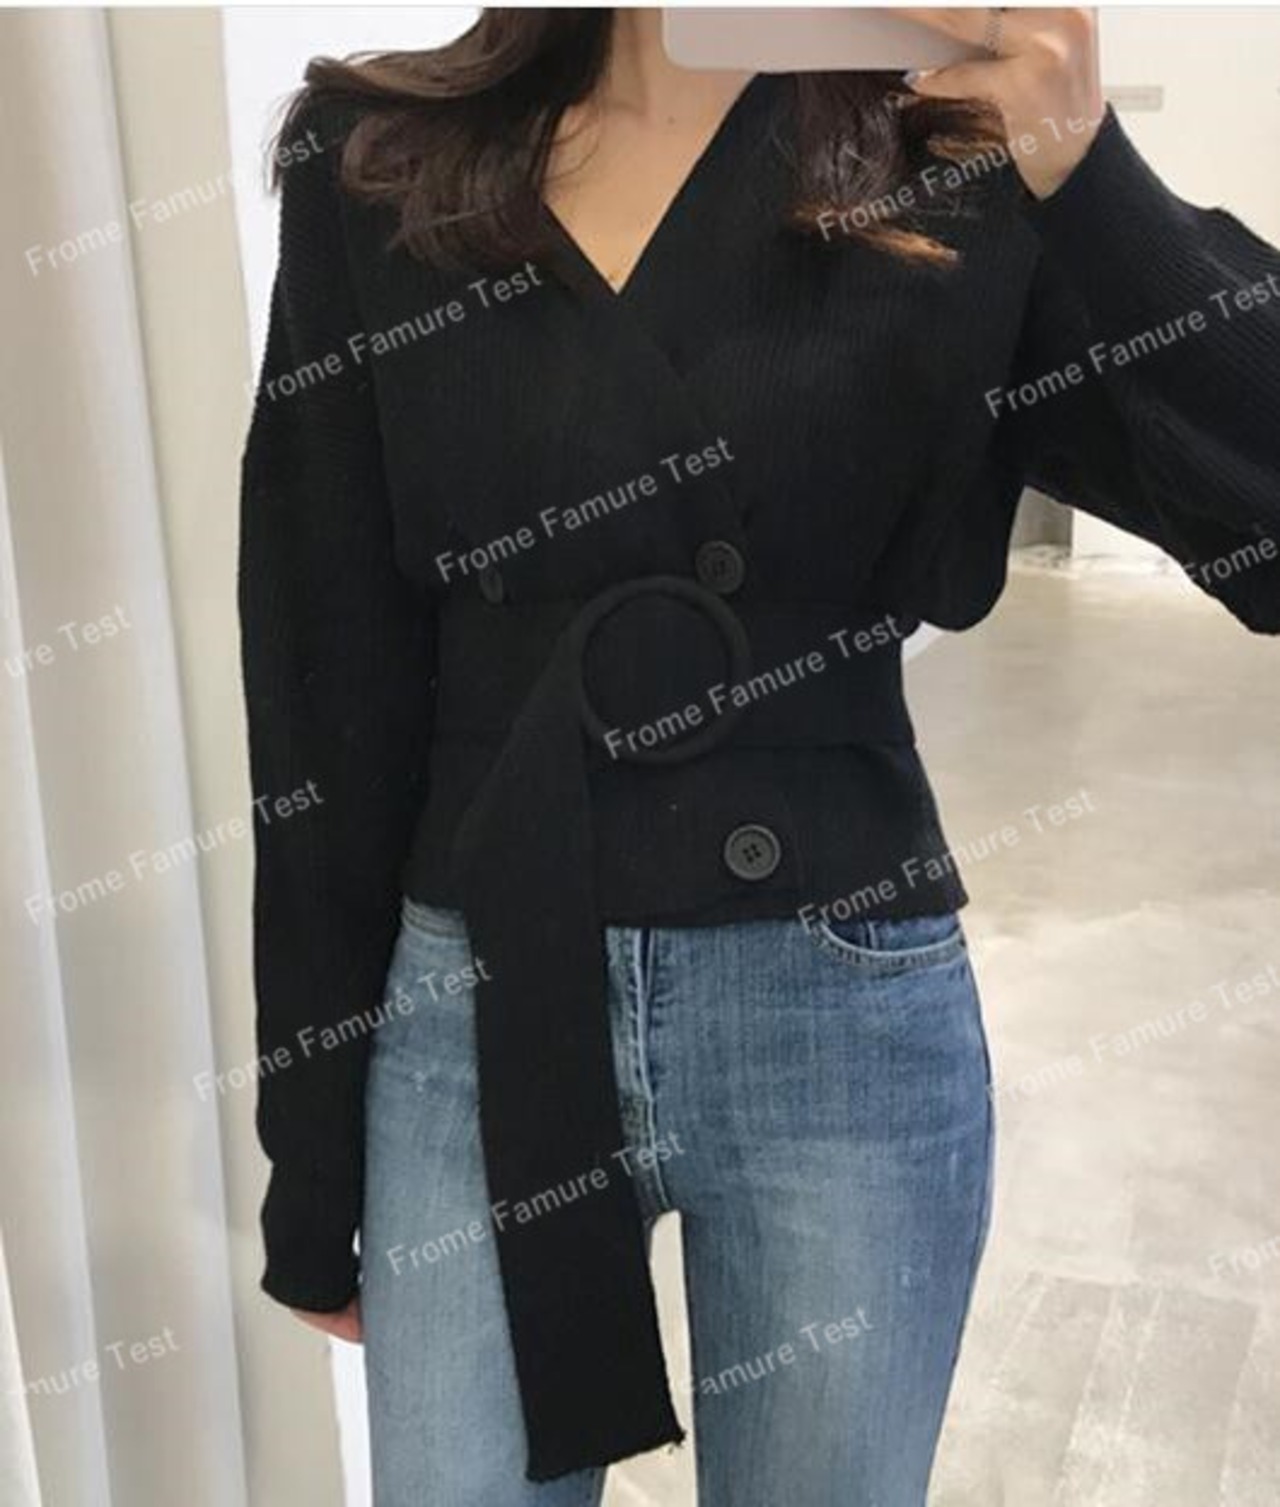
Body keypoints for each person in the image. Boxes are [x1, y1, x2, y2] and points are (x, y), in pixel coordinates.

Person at [237, 8, 1280, 1504]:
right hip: (476, 1000)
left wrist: (1088, 171)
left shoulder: (952, 161)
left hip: (835, 1003)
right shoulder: (385, 156)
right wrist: (313, 1151)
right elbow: (323, 673)